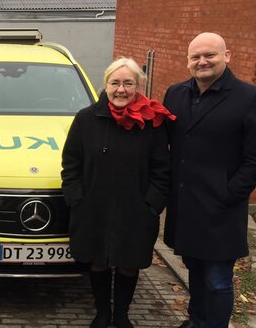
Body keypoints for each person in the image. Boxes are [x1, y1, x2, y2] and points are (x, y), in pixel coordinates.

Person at [163, 32, 256, 328]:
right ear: (188, 62)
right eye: (195, 56)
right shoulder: (175, 94)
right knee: (195, 273)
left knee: (217, 280)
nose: (202, 61)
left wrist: (227, 194)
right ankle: (196, 320)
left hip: (221, 209)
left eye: (209, 55)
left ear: (227, 56)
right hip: (186, 207)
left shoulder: (250, 98)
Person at [61, 58, 174, 328]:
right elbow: (71, 164)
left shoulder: (152, 123)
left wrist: (152, 205)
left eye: (128, 83)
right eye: (115, 83)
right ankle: (102, 313)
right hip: (93, 208)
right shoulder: (86, 119)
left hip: (136, 210)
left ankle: (122, 314)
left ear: (138, 87)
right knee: (98, 262)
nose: (121, 89)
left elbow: (162, 170)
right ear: (106, 85)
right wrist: (76, 199)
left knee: (128, 264)